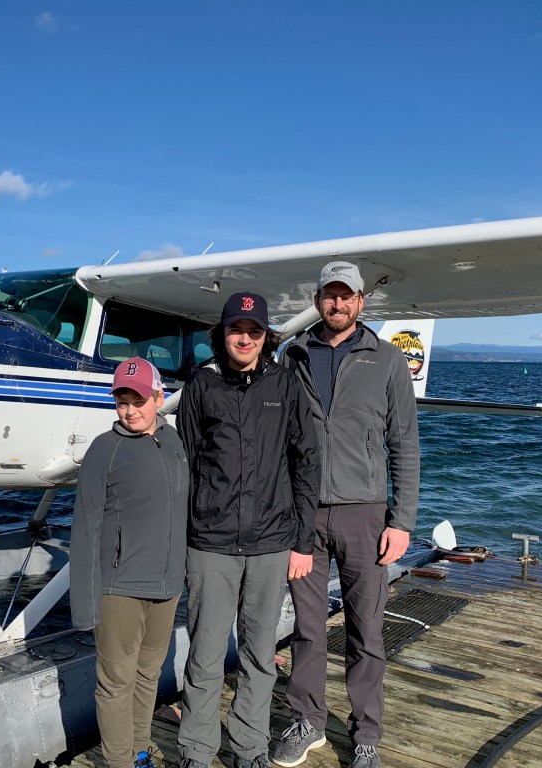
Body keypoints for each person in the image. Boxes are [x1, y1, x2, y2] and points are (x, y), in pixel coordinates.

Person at [272, 262, 420, 768]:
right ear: (318, 300)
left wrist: (401, 522)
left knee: (366, 630)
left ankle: (366, 735)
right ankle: (307, 721)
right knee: (309, 627)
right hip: (304, 516)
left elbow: (405, 445)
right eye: (329, 296)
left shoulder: (387, 360)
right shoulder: (291, 355)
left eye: (347, 296)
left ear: (361, 302)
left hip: (365, 516)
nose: (337, 304)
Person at [176, 292, 320, 768]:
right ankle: (197, 751)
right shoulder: (201, 385)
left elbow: (306, 464)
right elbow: (187, 465)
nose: (244, 338)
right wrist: (183, 537)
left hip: (271, 543)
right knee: (205, 654)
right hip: (210, 544)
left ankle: (250, 748)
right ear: (222, 335)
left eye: (254, 330)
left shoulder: (287, 383)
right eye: (236, 329)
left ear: (265, 337)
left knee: (260, 656)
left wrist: (302, 542)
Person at [70, 357, 190, 768]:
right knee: (116, 684)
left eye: (138, 399)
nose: (129, 410)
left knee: (147, 675)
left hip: (167, 587)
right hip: (118, 589)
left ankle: (140, 752)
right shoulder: (105, 448)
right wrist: (85, 606)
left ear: (159, 398)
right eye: (122, 400)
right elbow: (84, 527)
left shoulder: (174, 442)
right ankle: (120, 762)